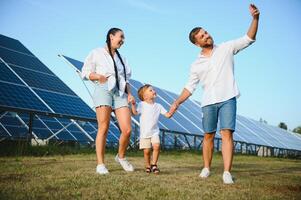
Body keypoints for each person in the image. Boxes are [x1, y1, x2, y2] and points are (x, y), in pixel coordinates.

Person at [169, 4, 260, 184]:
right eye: (202, 36)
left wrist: (255, 19)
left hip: (228, 98)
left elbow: (249, 38)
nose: (207, 35)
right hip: (208, 102)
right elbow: (189, 87)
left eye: (206, 32)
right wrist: (177, 102)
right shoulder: (196, 64)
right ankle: (206, 168)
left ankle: (226, 172)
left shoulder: (226, 48)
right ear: (197, 43)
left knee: (227, 133)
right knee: (208, 135)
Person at [82, 28, 136, 174]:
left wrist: (130, 94)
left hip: (120, 91)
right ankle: (100, 164)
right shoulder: (96, 53)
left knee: (127, 129)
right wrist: (98, 77)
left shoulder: (122, 59)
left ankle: (121, 156)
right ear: (111, 36)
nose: (123, 40)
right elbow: (85, 73)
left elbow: (126, 79)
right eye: (121, 37)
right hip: (103, 88)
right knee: (103, 127)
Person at [131, 84, 171, 174]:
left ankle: (154, 165)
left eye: (153, 90)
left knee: (156, 146)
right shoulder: (142, 104)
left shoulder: (159, 106)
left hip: (154, 132)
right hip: (144, 133)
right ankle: (148, 165)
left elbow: (168, 115)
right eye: (150, 90)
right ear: (144, 96)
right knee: (147, 151)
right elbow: (135, 113)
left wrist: (173, 109)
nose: (154, 91)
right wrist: (133, 105)